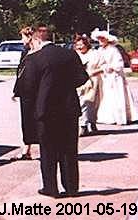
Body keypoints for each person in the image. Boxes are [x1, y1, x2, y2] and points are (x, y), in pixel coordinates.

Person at [21, 37, 89, 198]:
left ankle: (51, 187)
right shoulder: (70, 55)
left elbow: (28, 88)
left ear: (37, 39)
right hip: (68, 108)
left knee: (48, 150)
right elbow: (82, 77)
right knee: (69, 150)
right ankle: (72, 187)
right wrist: (66, 86)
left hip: (45, 110)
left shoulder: (34, 59)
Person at [92, 29, 138, 125]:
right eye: (99, 38)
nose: (100, 40)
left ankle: (119, 117)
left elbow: (118, 65)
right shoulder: (99, 50)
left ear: (107, 39)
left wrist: (106, 68)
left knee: (115, 97)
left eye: (102, 38)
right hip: (104, 78)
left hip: (114, 78)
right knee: (105, 97)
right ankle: (106, 117)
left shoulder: (113, 50)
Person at [10, 26, 39, 161]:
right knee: (26, 121)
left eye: (23, 37)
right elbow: (20, 72)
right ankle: (26, 150)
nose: (22, 40)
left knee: (39, 121)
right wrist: (16, 89)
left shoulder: (39, 52)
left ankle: (44, 149)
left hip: (37, 91)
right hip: (26, 92)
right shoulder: (25, 52)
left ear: (30, 37)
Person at [73, 34, 102, 135]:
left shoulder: (94, 54)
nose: (80, 47)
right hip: (79, 82)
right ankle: (83, 125)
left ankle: (91, 122)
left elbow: (103, 66)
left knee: (90, 104)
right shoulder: (75, 54)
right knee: (82, 103)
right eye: (77, 45)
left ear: (86, 44)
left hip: (93, 81)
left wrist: (92, 72)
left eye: (81, 45)